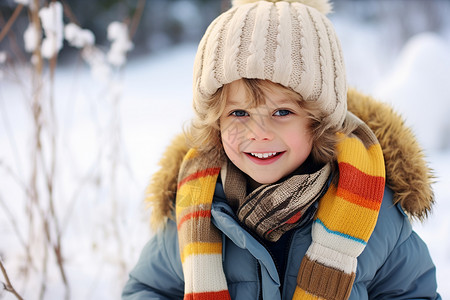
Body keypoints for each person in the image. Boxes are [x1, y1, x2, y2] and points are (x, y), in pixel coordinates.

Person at [122, 0, 441, 299]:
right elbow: (149, 288)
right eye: (239, 113)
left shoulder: (374, 213)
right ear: (215, 123)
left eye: (282, 113)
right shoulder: (197, 207)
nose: (259, 134)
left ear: (319, 122)